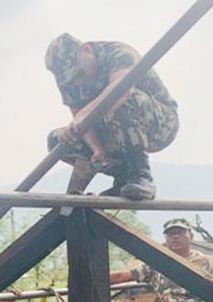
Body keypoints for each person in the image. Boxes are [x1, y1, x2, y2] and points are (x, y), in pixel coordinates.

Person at [44, 33, 179, 200]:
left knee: (120, 99)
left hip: (160, 124)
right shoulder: (69, 81)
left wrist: (85, 115)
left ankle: (141, 175)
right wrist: (96, 148)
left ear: (86, 50)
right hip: (113, 127)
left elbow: (122, 91)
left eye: (79, 74)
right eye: (72, 80)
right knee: (59, 140)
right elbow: (80, 118)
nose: (77, 82)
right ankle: (123, 176)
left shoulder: (119, 53)